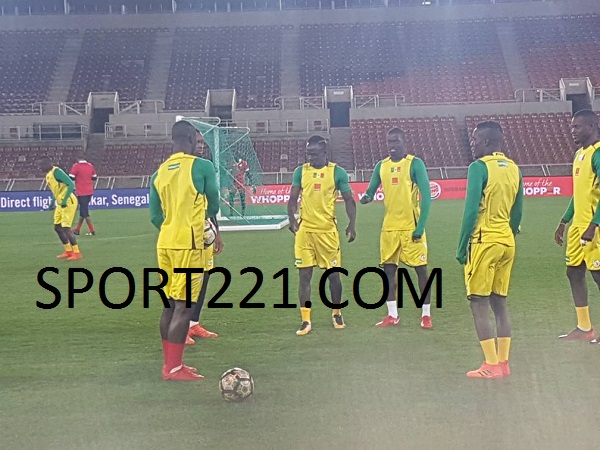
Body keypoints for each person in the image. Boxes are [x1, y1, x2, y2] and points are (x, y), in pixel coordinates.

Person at [149, 120, 219, 381]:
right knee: (184, 307)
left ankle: (170, 364)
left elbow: (155, 216)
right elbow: (213, 202)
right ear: (191, 138)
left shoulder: (158, 173)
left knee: (168, 306)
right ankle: (174, 369)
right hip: (190, 244)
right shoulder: (202, 166)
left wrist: (172, 226)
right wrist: (203, 222)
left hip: (165, 242)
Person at [456, 121, 523, 379]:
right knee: (500, 303)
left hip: (484, 242)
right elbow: (518, 211)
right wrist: (510, 233)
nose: (471, 144)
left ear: (486, 141)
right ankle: (504, 363)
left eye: (474, 140)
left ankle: (490, 364)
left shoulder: (478, 167)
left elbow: (471, 210)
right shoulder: (515, 168)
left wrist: (462, 247)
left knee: (478, 302)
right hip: (507, 240)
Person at [360, 128, 433, 329]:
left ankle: (426, 314)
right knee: (388, 272)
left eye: (396, 140)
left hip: (411, 227)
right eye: (389, 140)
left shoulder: (414, 164)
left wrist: (420, 227)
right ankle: (392, 315)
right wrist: (366, 197)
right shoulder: (381, 166)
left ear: (403, 141)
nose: (392, 144)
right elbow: (371, 190)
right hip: (389, 228)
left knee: (421, 271)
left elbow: (426, 198)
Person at [287, 135, 357, 336]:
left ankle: (336, 312)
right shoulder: (301, 172)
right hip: (305, 232)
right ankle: (306, 320)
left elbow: (349, 200)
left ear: (325, 153)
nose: (311, 157)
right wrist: (292, 219)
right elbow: (292, 198)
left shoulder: (337, 172)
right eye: (308, 153)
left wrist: (352, 224)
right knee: (304, 276)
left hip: (327, 233)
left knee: (333, 276)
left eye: (315, 153)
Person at [555, 109, 600, 343]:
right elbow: (578, 194)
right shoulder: (579, 155)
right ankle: (585, 328)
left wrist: (594, 224)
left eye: (577, 127)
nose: (572, 131)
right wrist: (564, 220)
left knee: (598, 274)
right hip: (578, 227)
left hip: (594, 227)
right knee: (573, 272)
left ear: (592, 127)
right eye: (572, 126)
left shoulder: (598, 153)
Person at [186, 132, 222, 344]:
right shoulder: (183, 170)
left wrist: (217, 233)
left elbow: (210, 203)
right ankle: (180, 328)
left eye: (202, 142)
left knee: (204, 277)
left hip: (205, 233)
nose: (201, 146)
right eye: (197, 142)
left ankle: (193, 324)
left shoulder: (204, 166)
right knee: (186, 282)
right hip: (186, 235)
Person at [39, 156, 82, 261]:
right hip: (60, 202)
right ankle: (68, 251)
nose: (40, 168)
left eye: (42, 165)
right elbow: (56, 191)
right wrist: (52, 202)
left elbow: (70, 184)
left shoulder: (57, 172)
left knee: (66, 227)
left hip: (68, 201)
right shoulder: (48, 175)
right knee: (57, 227)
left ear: (48, 164)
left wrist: (64, 200)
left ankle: (77, 252)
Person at [69, 154, 97, 236]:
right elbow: (94, 177)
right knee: (82, 211)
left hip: (81, 191)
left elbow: (71, 177)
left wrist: (79, 178)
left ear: (78, 158)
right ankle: (77, 230)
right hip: (89, 191)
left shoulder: (76, 166)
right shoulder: (90, 165)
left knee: (85, 213)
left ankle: (92, 230)